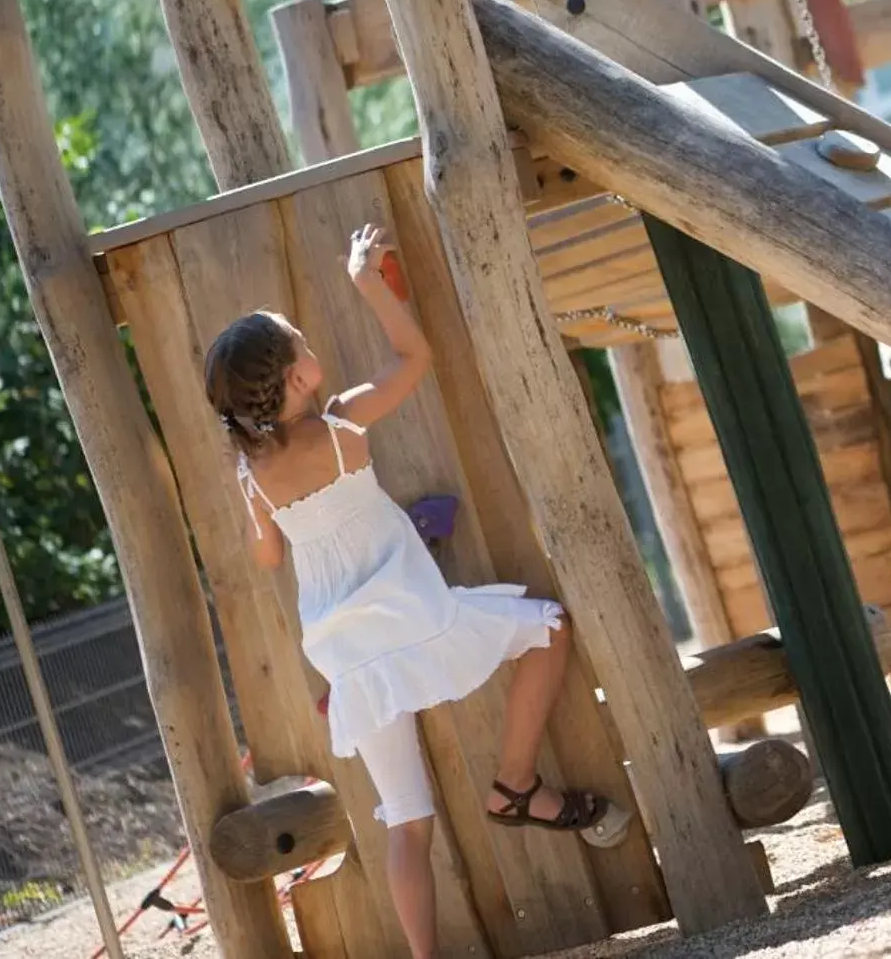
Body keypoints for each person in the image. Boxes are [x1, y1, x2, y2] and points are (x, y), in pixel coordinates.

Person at [204, 224, 630, 958]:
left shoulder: (254, 478)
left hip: (351, 663)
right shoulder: (340, 428)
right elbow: (416, 358)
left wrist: (261, 507)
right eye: (301, 341)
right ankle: (516, 784)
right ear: (296, 376)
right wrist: (367, 282)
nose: (313, 348)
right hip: (419, 620)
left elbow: (269, 557)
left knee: (407, 820)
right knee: (550, 627)